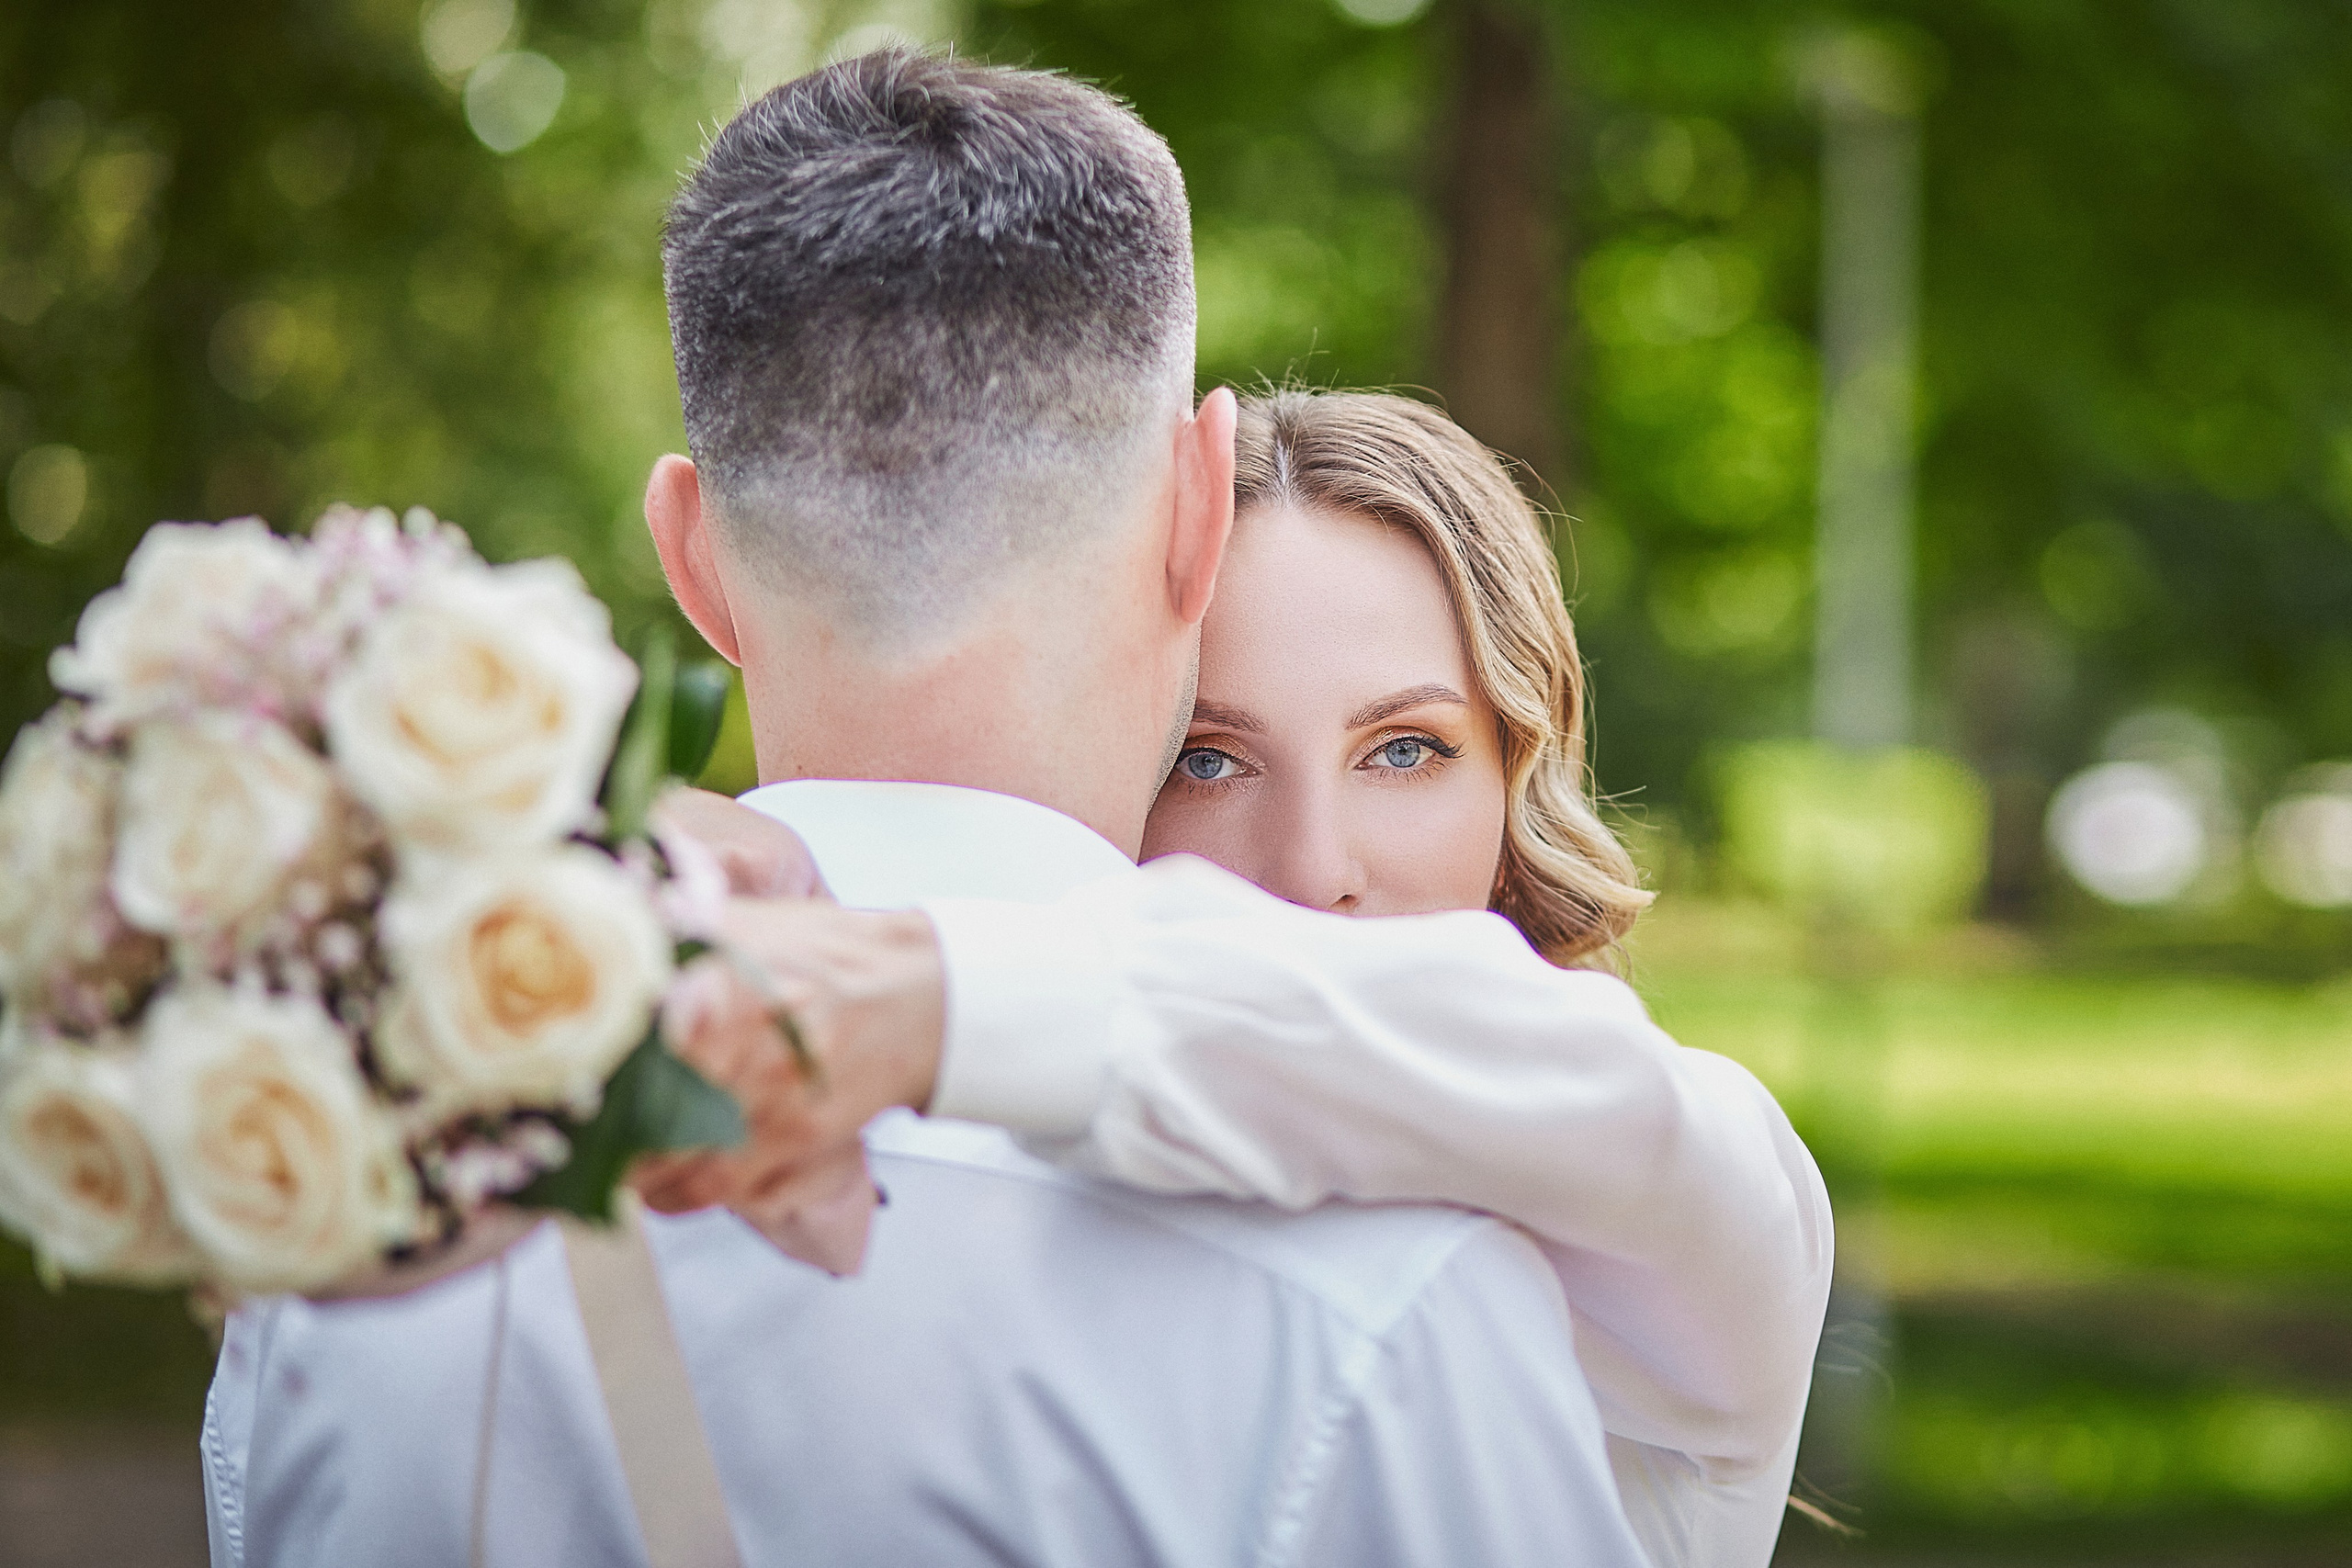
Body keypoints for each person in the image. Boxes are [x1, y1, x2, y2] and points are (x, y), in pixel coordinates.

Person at [202, 51, 1653, 1568]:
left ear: (692, 557)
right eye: (1225, 758)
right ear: (1202, 513)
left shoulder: (342, 1202)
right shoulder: (1393, 1288)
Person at [658, 389, 1832, 1568]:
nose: (1313, 867)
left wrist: (939, 993)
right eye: (1210, 761)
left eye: (1405, 751)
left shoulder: (1694, 1173)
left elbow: (1589, 1095)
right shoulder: (1020, 1187)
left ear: (1516, 769)